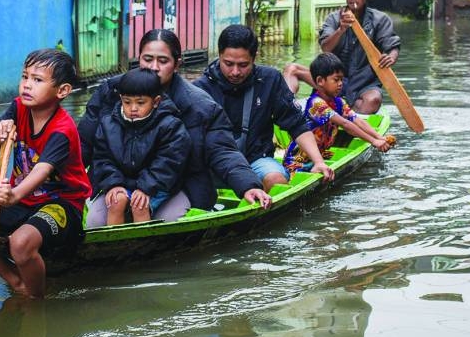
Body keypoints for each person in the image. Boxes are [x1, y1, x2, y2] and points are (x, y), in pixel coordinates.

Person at [78, 29, 271, 219]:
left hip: (178, 183)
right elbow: (84, 144)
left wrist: (248, 185)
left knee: (168, 220)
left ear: (177, 64)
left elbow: (222, 150)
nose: (154, 67)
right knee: (96, 221)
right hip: (117, 182)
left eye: (163, 61)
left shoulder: (199, 105)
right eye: (147, 59)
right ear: (139, 59)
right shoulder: (111, 92)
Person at [0, 49, 91, 298]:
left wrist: (12, 195)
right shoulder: (18, 108)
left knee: (20, 244)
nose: (27, 85)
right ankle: (16, 281)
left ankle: (35, 299)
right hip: (22, 200)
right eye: (25, 77)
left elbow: (42, 170)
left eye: (37, 80)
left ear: (63, 91)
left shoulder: (62, 128)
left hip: (61, 204)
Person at [193, 24, 335, 192]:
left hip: (256, 160)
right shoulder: (200, 88)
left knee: (276, 180)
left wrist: (318, 162)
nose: (235, 72)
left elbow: (296, 124)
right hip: (214, 164)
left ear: (255, 57)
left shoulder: (270, 79)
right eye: (228, 64)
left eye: (243, 65)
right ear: (219, 55)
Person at [282, 0, 401, 114]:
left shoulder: (380, 20)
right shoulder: (333, 18)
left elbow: (392, 46)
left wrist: (391, 57)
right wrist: (341, 29)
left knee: (373, 100)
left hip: (364, 83)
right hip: (330, 81)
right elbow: (325, 48)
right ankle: (287, 111)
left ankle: (347, 116)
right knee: (291, 69)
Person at [86, 68, 191, 226]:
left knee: (139, 206)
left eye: (140, 103)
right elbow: (102, 159)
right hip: (121, 183)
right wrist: (114, 184)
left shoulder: (170, 126)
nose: (133, 108)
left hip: (156, 187)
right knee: (116, 202)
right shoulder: (108, 124)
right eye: (127, 102)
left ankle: (143, 246)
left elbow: (169, 163)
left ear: (156, 102)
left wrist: (145, 188)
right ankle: (114, 246)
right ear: (120, 98)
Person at [283, 53, 392, 175]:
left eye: (341, 79)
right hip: (298, 161)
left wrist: (378, 137)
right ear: (320, 81)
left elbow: (357, 120)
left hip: (321, 155)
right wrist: (373, 141)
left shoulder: (338, 102)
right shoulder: (316, 104)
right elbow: (345, 124)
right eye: (336, 79)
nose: (340, 84)